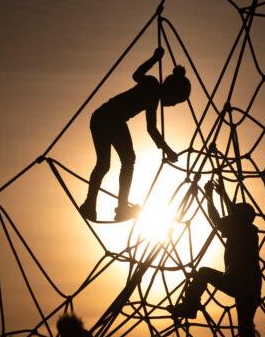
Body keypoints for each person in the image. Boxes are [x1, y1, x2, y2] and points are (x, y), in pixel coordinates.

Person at [79, 47, 191, 221]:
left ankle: (96, 205)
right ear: (172, 90)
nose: (173, 105)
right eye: (176, 100)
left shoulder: (154, 97)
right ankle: (108, 207)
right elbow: (137, 75)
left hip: (107, 118)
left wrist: (167, 150)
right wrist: (154, 58)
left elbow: (151, 128)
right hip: (108, 118)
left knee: (108, 164)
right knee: (119, 162)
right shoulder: (152, 85)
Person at [168, 180, 261, 337]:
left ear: (238, 218)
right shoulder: (247, 228)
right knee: (245, 327)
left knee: (203, 273)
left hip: (240, 283)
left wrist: (209, 196)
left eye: (234, 215)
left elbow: (217, 220)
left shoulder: (241, 229)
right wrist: (223, 194)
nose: (231, 216)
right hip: (250, 285)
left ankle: (189, 307)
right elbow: (235, 212)